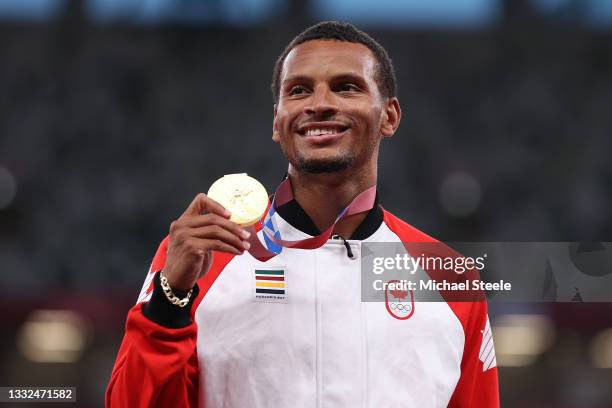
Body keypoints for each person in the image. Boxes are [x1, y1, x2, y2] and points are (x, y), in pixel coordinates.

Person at [106, 21, 499, 407]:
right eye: (299, 90)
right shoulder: (204, 256)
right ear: (278, 121)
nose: (320, 104)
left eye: (346, 87)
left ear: (389, 116)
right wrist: (167, 303)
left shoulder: (449, 277)